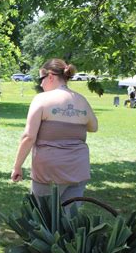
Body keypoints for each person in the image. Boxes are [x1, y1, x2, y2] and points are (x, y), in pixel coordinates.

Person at [11, 58, 98, 206]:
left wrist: (17, 166)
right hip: (78, 169)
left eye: (41, 79)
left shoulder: (41, 99)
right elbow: (93, 127)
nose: (41, 84)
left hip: (48, 172)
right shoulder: (81, 100)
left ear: (50, 76)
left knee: (44, 219)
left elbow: (28, 137)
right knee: (68, 221)